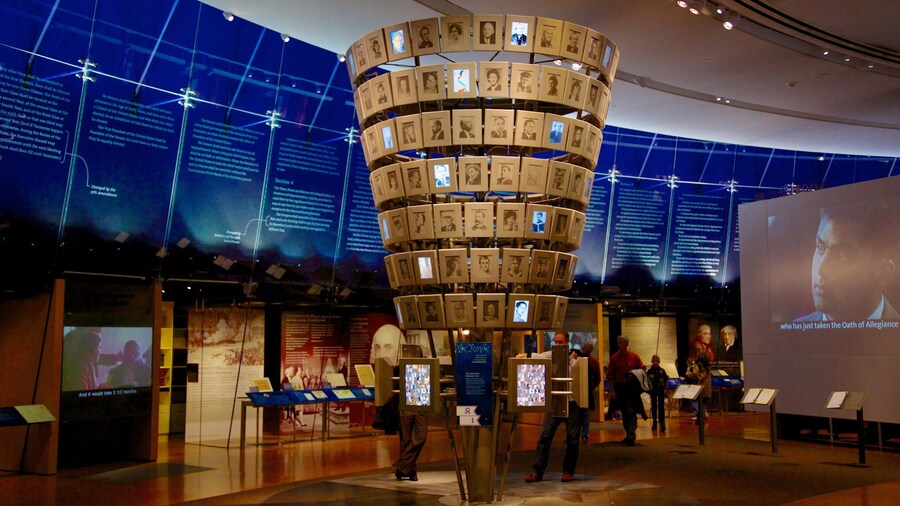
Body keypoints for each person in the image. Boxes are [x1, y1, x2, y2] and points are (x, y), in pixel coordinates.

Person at [795, 201, 898, 321]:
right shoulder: (790, 337)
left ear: (883, 274)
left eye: (842, 256)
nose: (821, 269)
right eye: (820, 248)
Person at [523, 331, 581, 483]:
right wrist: (524, 355)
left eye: (561, 342)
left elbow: (579, 376)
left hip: (572, 402)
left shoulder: (575, 359)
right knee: (545, 437)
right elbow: (538, 356)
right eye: (555, 341)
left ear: (567, 343)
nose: (557, 345)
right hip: (555, 401)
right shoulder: (551, 355)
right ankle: (537, 471)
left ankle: (568, 471)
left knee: (572, 439)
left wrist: (573, 361)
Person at [607, 335, 645, 446]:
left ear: (627, 344)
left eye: (621, 342)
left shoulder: (634, 356)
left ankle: (631, 434)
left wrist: (636, 378)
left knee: (632, 411)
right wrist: (612, 390)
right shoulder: (614, 358)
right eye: (618, 342)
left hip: (632, 389)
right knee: (624, 411)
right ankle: (629, 433)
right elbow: (610, 376)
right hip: (620, 389)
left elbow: (642, 368)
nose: (619, 345)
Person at [574, 341, 601, 444]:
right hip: (587, 391)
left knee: (579, 414)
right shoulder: (594, 362)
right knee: (585, 414)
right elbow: (598, 379)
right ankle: (584, 435)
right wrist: (591, 387)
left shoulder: (577, 359)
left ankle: (578, 434)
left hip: (579, 390)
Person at [685, 350, 711, 425]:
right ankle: (702, 416)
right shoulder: (708, 365)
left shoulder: (698, 365)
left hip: (700, 385)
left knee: (699, 402)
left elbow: (695, 374)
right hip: (707, 386)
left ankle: (700, 419)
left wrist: (688, 374)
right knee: (703, 403)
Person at [647, 354, 669, 432]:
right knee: (654, 406)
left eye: (657, 361)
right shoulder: (649, 372)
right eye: (654, 361)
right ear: (652, 362)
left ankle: (662, 422)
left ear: (659, 361)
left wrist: (666, 391)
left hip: (660, 390)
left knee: (661, 406)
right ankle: (654, 422)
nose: (655, 362)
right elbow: (647, 382)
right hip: (653, 391)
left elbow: (666, 381)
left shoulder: (662, 371)